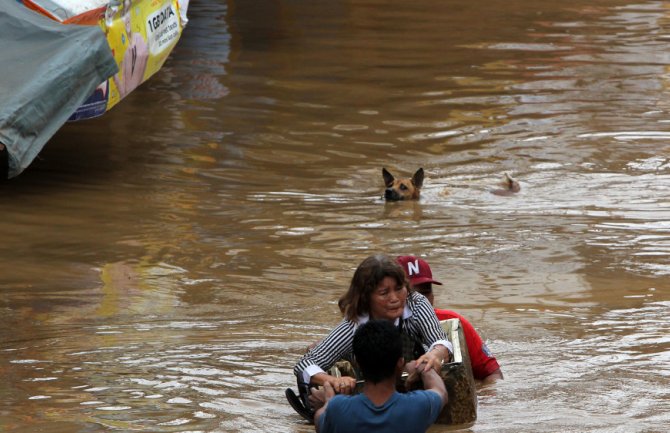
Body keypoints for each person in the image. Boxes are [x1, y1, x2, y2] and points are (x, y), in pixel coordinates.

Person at [289, 254, 453, 419]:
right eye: (384, 293)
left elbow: (440, 341)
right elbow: (305, 364)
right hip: (373, 385)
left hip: (411, 371)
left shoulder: (416, 304)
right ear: (366, 298)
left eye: (399, 288)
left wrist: (434, 355)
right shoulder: (353, 325)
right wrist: (332, 381)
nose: (395, 299)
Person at [313, 320, 447, 432]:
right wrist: (423, 366)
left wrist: (327, 401)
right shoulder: (418, 405)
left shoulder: (337, 408)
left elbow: (319, 420)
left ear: (358, 364)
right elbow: (440, 392)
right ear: (400, 364)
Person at [396, 256, 503, 383]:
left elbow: (493, 374)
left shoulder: (454, 322)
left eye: (426, 293)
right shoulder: (375, 325)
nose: (419, 301)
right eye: (411, 294)